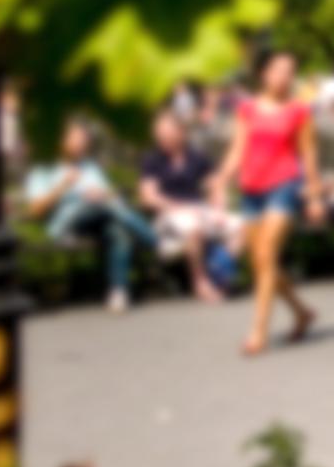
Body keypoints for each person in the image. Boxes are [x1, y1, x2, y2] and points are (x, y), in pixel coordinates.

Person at [212, 51, 324, 354]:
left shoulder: (300, 111)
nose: (284, 76)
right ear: (264, 74)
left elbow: (309, 156)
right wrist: (221, 178)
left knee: (265, 254)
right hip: (251, 188)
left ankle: (258, 332)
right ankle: (301, 312)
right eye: (278, 70)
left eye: (290, 71)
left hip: (285, 186)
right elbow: (238, 148)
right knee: (261, 263)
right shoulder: (246, 109)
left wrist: (314, 195)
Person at [25, 121, 158, 314]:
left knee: (117, 230)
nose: (82, 144)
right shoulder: (43, 167)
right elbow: (35, 210)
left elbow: (111, 196)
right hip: (65, 225)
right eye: (76, 139)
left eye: (84, 140)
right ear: (60, 140)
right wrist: (63, 185)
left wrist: (102, 195)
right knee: (104, 209)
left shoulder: (89, 167)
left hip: (98, 218)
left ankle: (118, 292)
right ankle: (151, 238)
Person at [137, 109, 239, 303]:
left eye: (167, 133)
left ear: (181, 132)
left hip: (198, 209)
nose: (163, 138)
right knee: (193, 226)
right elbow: (149, 197)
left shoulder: (196, 156)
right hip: (168, 214)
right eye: (159, 134)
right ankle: (200, 282)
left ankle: (221, 269)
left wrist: (220, 209)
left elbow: (216, 184)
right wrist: (177, 206)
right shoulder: (152, 160)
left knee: (240, 226)